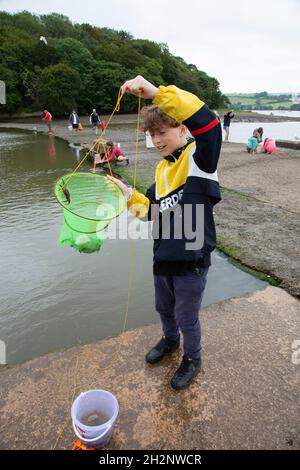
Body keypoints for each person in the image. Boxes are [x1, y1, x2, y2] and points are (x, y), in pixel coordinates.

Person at [107, 75, 222, 390]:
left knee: (188, 317)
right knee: (163, 308)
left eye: (163, 132)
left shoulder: (200, 159)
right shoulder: (160, 170)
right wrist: (125, 192)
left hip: (192, 260)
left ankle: (192, 358)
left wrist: (157, 94)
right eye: (151, 134)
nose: (157, 140)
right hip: (164, 255)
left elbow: (210, 125)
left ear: (182, 129)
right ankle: (170, 341)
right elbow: (150, 212)